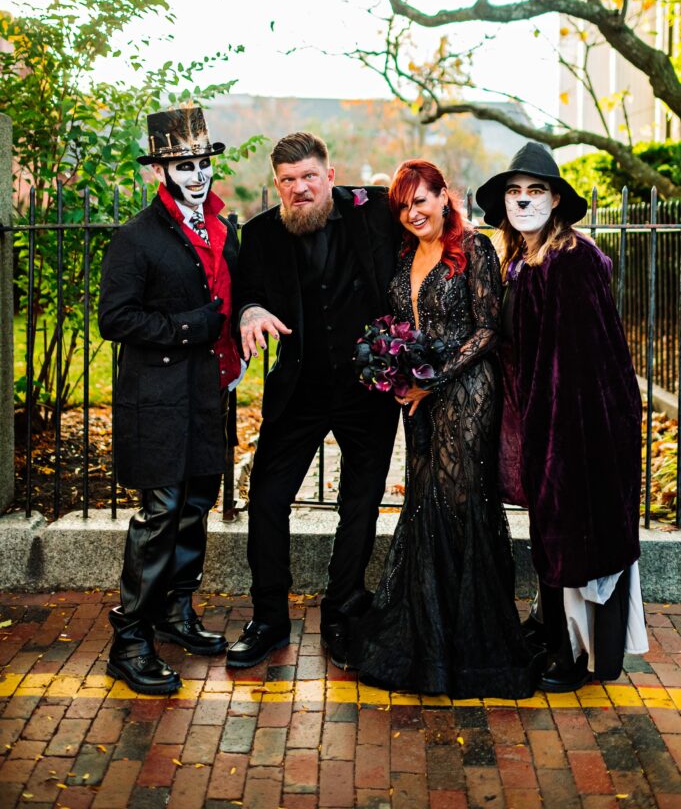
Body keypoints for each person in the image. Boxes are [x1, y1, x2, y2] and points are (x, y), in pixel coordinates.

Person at [356, 159, 539, 698]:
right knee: (423, 504)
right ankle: (429, 639)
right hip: (420, 399)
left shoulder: (474, 247)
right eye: (404, 205)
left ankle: (474, 645)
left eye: (422, 200)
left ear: (443, 197)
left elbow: (487, 329)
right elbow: (402, 327)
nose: (413, 212)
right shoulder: (404, 254)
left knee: (459, 505)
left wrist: (432, 379)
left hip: (467, 391)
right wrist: (396, 370)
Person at [476, 141, 647, 693]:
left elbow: (582, 360)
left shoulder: (571, 260)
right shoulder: (520, 257)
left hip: (577, 422)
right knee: (551, 531)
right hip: (541, 419)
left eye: (536, 191)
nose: (524, 201)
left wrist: (561, 437)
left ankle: (573, 655)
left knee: (573, 533)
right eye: (514, 192)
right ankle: (555, 633)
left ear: (556, 200)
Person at [227, 132, 401, 669]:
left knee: (361, 504)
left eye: (308, 177)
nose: (299, 188)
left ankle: (342, 611)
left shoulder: (376, 213)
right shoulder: (259, 234)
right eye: (287, 180)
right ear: (276, 184)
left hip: (367, 391)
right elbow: (245, 293)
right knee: (268, 499)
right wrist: (251, 311)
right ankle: (269, 618)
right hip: (298, 388)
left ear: (330, 174)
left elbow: (431, 233)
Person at [98, 105, 243, 695]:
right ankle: (129, 641)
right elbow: (116, 318)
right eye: (184, 166)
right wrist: (193, 326)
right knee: (159, 516)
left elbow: (237, 292)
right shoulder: (137, 237)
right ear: (162, 170)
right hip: (157, 395)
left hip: (206, 393)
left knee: (195, 505)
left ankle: (175, 614)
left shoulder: (220, 229)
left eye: (202, 163)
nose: (196, 175)